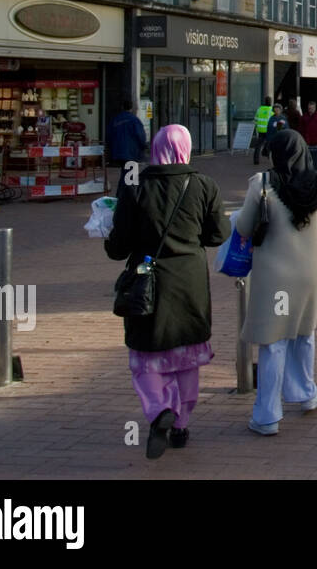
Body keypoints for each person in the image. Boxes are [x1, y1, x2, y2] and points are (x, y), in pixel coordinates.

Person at [105, 125, 228, 458]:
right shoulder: (204, 185)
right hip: (189, 283)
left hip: (149, 281)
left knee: (147, 356)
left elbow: (117, 247)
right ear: (186, 148)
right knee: (187, 358)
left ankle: (159, 408)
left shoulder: (136, 188)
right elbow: (218, 235)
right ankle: (181, 424)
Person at [236, 130, 317, 435]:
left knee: (273, 340)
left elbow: (243, 226)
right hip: (309, 270)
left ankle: (267, 415)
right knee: (304, 332)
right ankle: (305, 392)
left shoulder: (262, 184)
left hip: (275, 274)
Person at [107, 99, 147, 184]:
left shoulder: (116, 119)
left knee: (125, 173)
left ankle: (122, 192)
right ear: (132, 108)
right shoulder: (134, 120)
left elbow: (109, 135)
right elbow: (140, 135)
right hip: (131, 152)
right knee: (131, 179)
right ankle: (128, 194)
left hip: (119, 152)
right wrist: (143, 146)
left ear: (122, 107)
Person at [253, 97, 273, 165]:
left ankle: (256, 160)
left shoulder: (259, 109)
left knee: (258, 145)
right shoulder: (271, 110)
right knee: (270, 144)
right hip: (268, 130)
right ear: (270, 102)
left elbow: (255, 120)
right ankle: (267, 155)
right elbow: (273, 121)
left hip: (260, 130)